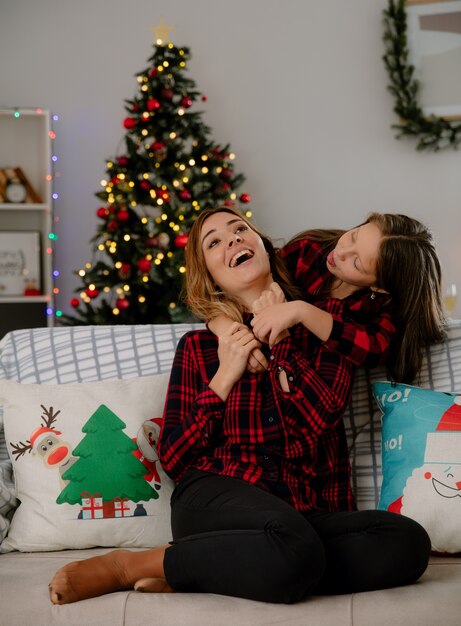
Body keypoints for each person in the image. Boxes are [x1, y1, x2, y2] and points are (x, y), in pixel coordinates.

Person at [49, 207, 436, 605]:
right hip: (216, 496)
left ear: (266, 249)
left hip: (302, 509)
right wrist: (225, 374)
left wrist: (282, 338)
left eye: (239, 229)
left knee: (406, 542)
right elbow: (175, 460)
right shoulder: (198, 349)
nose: (231, 239)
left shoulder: (325, 331)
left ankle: (213, 568)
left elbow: (313, 427)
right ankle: (133, 565)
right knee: (294, 548)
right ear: (211, 275)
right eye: (213, 242)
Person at [210, 212, 446, 384]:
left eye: (356, 262)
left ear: (380, 287)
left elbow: (373, 350)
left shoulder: (379, 311)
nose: (341, 252)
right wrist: (228, 332)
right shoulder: (307, 252)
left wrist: (302, 311)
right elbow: (225, 296)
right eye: (353, 236)